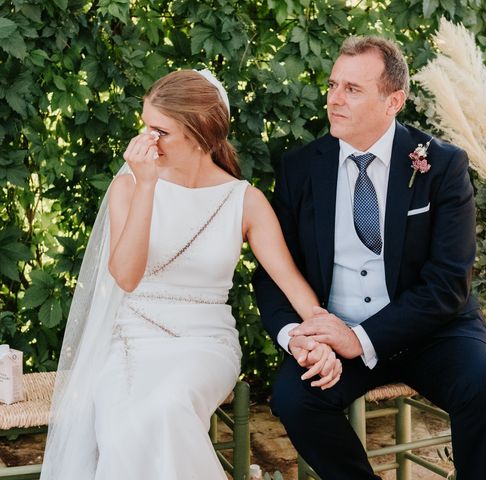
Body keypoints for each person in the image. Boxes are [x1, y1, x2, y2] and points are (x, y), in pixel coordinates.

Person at [40, 69, 342, 480]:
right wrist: (146, 186)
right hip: (131, 341)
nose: (148, 141)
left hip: (204, 343)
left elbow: (291, 283)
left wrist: (321, 333)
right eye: (146, 127)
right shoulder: (129, 187)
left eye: (160, 131)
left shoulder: (244, 200)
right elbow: (126, 278)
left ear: (200, 131)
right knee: (125, 425)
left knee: (168, 405)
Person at [253, 36, 486, 480]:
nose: (334, 99)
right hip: (337, 330)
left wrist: (363, 339)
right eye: (333, 85)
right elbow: (274, 273)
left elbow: (449, 282)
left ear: (394, 100)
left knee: (485, 389)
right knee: (296, 399)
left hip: (435, 331)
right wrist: (297, 334)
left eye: (352, 89)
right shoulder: (299, 168)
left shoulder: (442, 165)